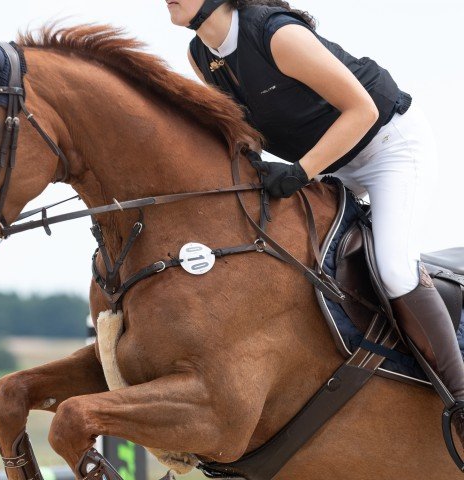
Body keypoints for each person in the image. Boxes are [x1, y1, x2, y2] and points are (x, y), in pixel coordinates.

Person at [166, 0, 464, 436]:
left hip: (389, 147)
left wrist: (301, 172)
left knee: (395, 270)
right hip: (331, 160)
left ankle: (460, 397)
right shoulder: (201, 55)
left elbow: (360, 110)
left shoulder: (275, 34)